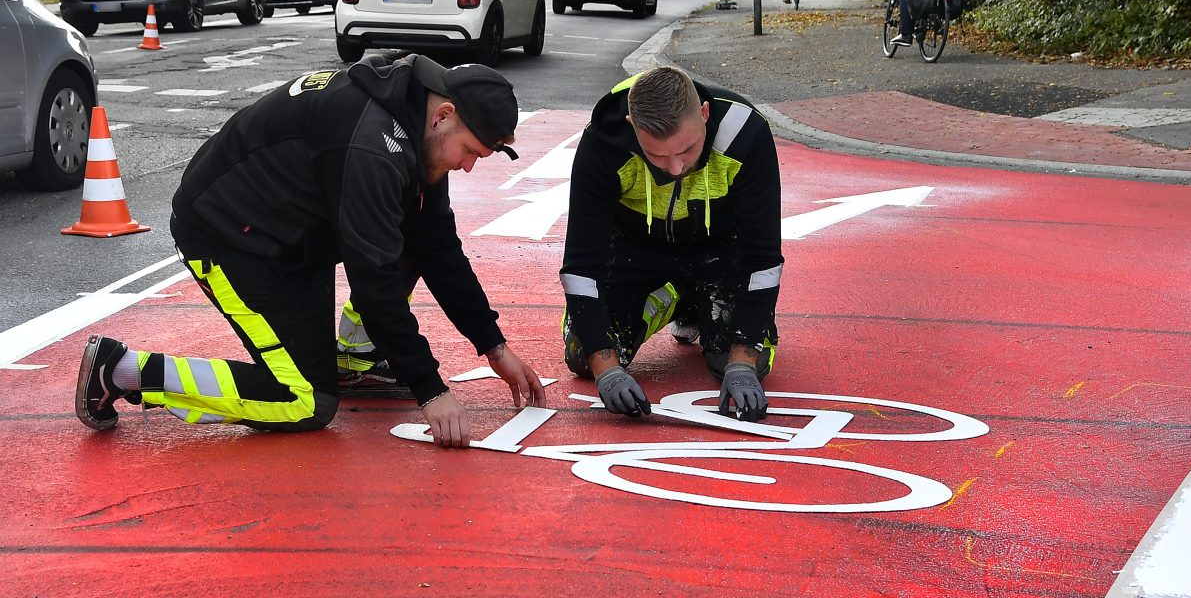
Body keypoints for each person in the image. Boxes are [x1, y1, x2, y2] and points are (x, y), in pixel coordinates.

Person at [76, 53, 547, 447]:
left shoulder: (416, 123)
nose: (466, 167)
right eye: (469, 152)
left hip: (293, 238)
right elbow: (374, 276)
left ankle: (354, 358)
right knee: (305, 402)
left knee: (411, 234)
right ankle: (121, 370)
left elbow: (438, 245)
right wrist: (430, 390)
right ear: (443, 115)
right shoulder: (372, 147)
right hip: (230, 236)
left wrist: (493, 346)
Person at [559, 66, 783, 422]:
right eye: (658, 156)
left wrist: (742, 361)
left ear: (705, 115)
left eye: (687, 149)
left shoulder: (747, 134)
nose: (676, 168)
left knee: (737, 363)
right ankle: (676, 300)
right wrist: (606, 367)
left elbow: (763, 258)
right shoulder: (603, 142)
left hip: (719, 254)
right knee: (580, 356)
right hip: (635, 251)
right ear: (633, 126)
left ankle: (701, 306)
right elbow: (580, 266)